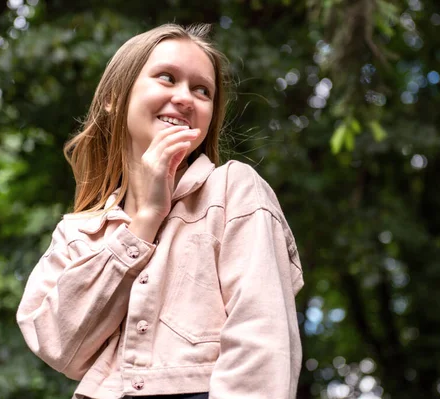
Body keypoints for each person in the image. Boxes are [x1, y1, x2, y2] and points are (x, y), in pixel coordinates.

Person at [16, 23, 305, 399]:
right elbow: (59, 346)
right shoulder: (77, 233)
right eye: (167, 78)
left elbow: (262, 338)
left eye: (202, 90)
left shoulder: (233, 189)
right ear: (115, 98)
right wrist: (146, 220)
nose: (186, 98)